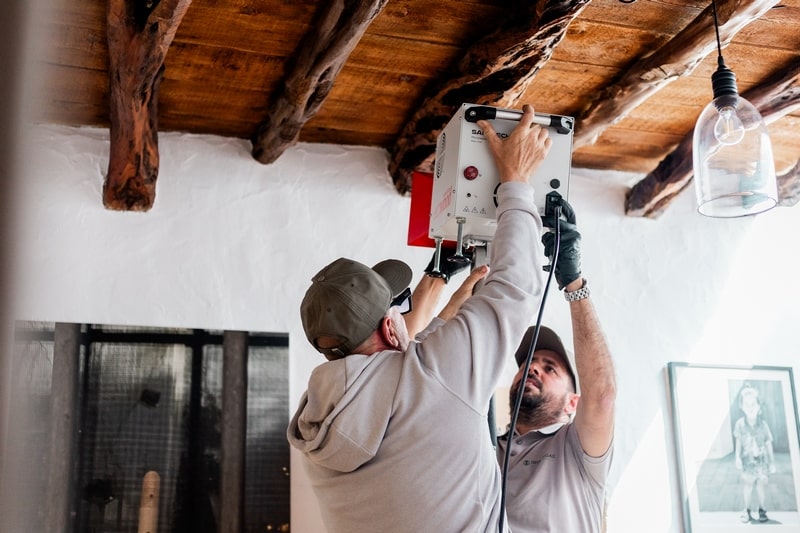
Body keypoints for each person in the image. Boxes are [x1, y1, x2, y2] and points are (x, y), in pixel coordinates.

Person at [286, 105, 552, 533]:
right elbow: (517, 287)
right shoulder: (432, 374)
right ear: (392, 328)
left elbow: (404, 381)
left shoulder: (320, 429)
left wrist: (453, 311)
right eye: (399, 307)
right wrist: (516, 182)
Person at [496, 199, 616, 533]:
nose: (533, 368)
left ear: (572, 402)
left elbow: (603, 395)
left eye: (550, 368)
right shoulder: (486, 446)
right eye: (529, 362)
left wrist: (573, 283)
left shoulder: (577, 451)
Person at [734, 383, 776, 523]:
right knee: (747, 486)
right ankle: (746, 510)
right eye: (747, 405)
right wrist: (737, 459)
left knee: (760, 487)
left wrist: (772, 462)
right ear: (742, 407)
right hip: (747, 463)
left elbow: (768, 444)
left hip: (762, 463)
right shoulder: (740, 424)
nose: (750, 408)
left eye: (753, 404)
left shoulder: (763, 425)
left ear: (759, 407)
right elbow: (738, 443)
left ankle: (762, 509)